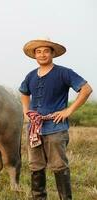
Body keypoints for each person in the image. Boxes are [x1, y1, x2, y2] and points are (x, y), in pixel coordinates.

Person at [19, 37, 93, 200]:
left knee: (59, 166)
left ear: (53, 53)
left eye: (46, 51)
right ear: (34, 55)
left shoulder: (64, 72)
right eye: (38, 51)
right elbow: (24, 92)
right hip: (34, 130)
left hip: (56, 128)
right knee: (35, 166)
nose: (42, 54)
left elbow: (86, 89)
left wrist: (69, 110)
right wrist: (26, 111)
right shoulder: (30, 76)